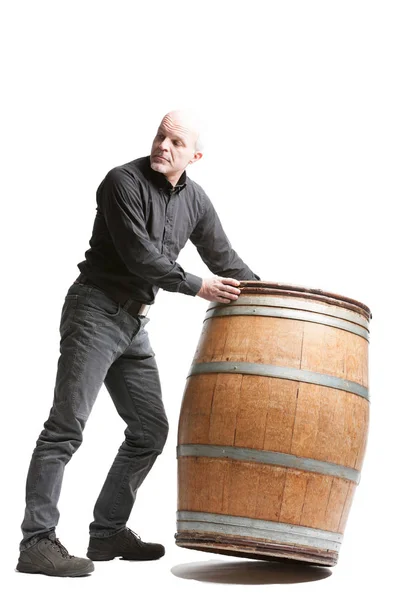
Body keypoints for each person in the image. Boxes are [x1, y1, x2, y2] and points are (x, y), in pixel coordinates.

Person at [16, 110, 260, 577]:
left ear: (195, 156)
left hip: (133, 324)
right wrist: (197, 286)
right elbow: (139, 256)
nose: (163, 146)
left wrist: (271, 298)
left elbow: (224, 258)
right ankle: (37, 542)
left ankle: (107, 531)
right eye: (160, 135)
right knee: (65, 429)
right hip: (94, 312)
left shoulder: (196, 200)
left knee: (150, 431)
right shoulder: (121, 182)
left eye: (176, 142)